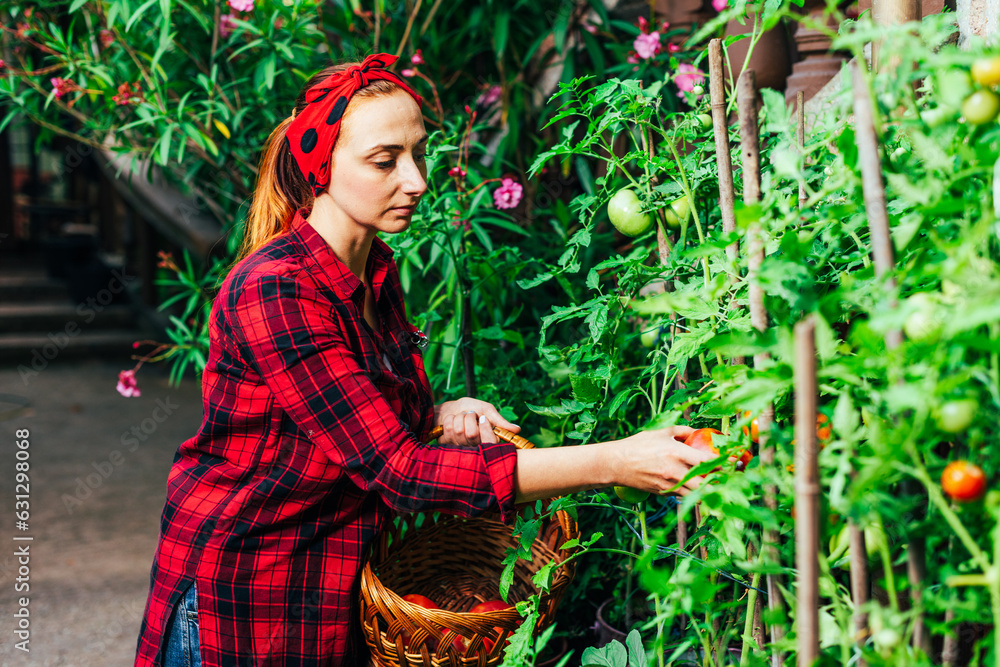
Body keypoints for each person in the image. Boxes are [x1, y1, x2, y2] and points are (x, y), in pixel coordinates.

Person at [134, 52, 714, 667]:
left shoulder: (372, 274)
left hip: (327, 584)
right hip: (248, 593)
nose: (415, 180)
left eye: (418, 154)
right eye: (385, 161)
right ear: (321, 167)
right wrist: (615, 461)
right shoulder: (277, 290)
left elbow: (346, 417)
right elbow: (401, 471)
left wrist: (440, 408)